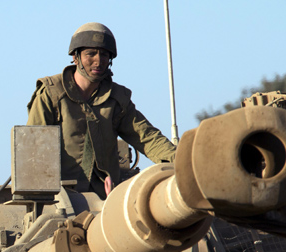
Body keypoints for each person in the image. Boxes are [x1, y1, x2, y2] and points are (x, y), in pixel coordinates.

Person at [27, 22, 176, 198]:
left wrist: (183, 163)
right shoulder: (51, 94)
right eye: (90, 54)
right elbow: (33, 150)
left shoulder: (117, 99)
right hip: (60, 198)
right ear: (76, 57)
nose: (98, 61)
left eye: (104, 55)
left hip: (106, 198)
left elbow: (147, 137)